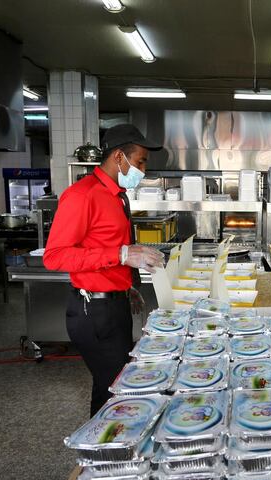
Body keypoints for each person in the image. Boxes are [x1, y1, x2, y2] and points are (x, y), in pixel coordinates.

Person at [44, 124, 165, 416]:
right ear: (119, 157)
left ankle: (102, 450)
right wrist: (121, 253)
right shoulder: (82, 195)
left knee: (110, 386)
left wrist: (127, 285)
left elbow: (110, 250)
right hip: (93, 313)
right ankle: (109, 448)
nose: (143, 170)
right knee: (119, 391)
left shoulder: (118, 196)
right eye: (140, 162)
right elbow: (55, 257)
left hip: (114, 305)